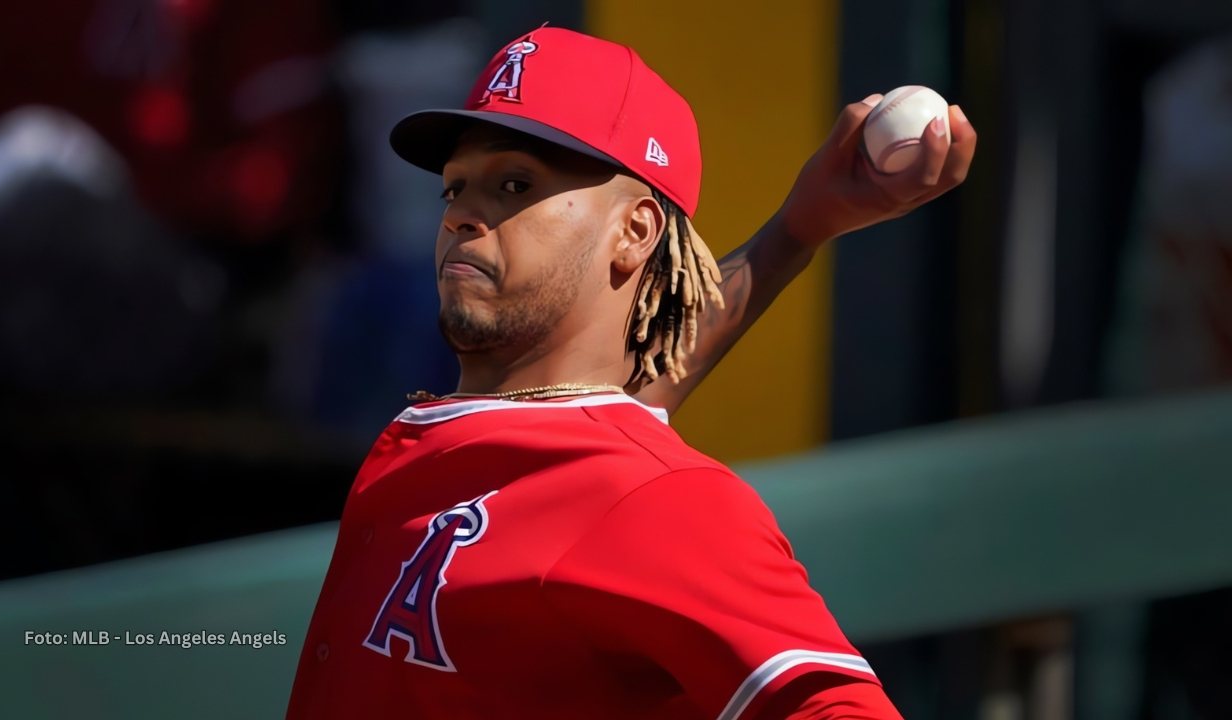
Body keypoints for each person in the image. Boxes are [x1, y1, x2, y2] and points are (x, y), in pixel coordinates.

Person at [286, 26, 975, 719]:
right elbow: (599, 422)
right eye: (454, 189)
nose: (464, 214)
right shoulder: (539, 448)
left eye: (515, 183)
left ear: (636, 232)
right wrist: (796, 230)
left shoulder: (662, 500)